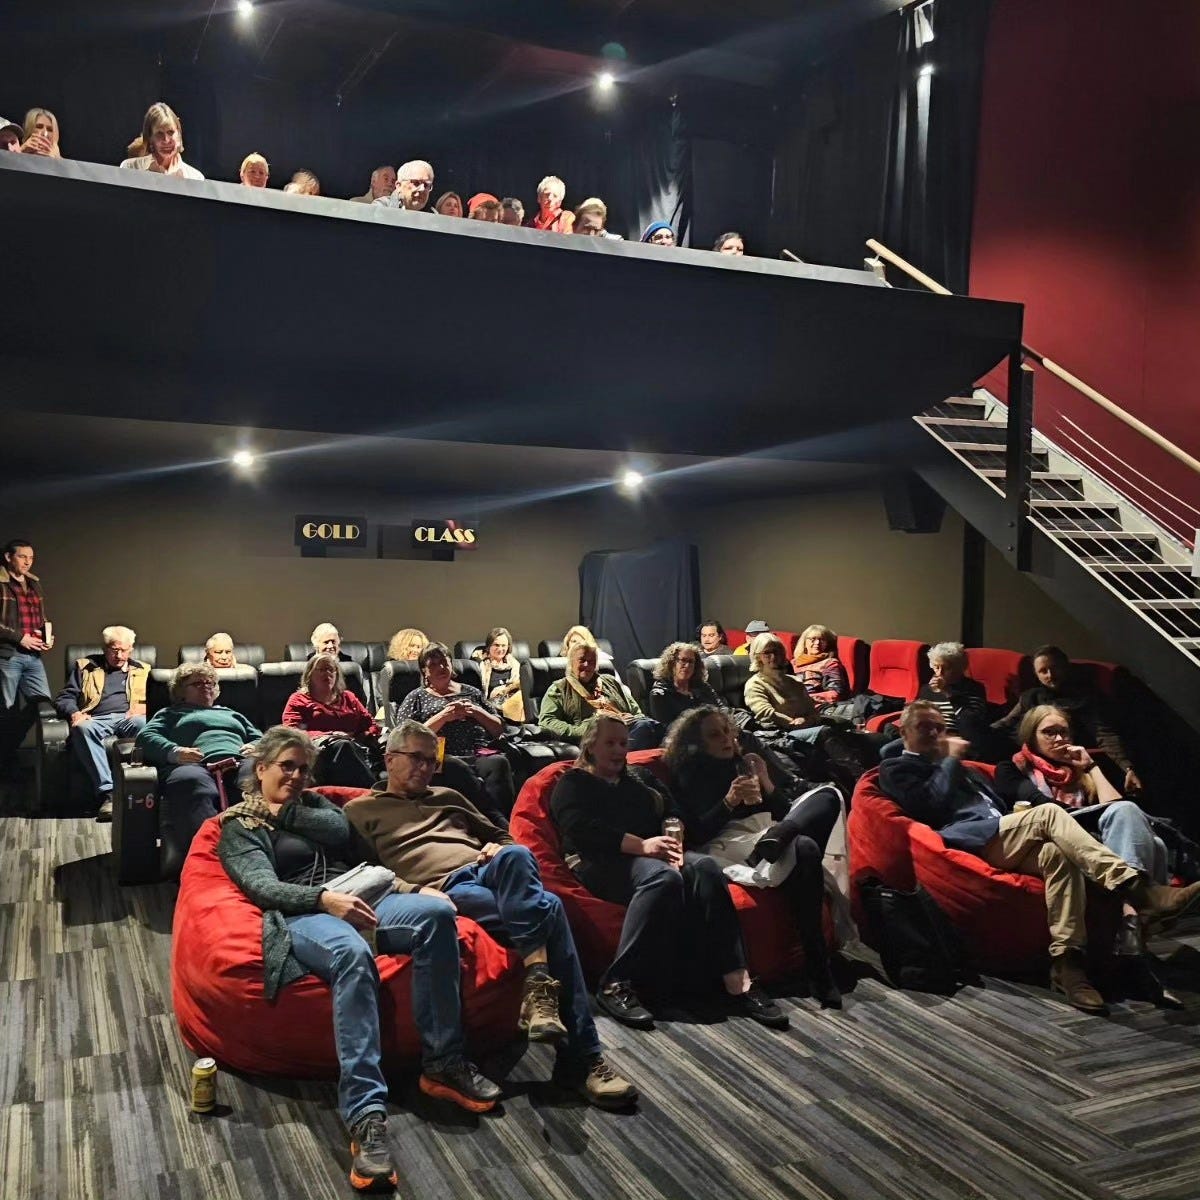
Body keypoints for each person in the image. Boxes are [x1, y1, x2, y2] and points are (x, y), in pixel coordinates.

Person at [217, 726, 500, 1191]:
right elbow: (262, 887)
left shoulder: (314, 806)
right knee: (350, 952)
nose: (296, 776)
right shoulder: (238, 825)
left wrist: (287, 811)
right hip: (304, 913)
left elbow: (337, 828)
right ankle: (366, 1114)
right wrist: (323, 899)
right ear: (260, 768)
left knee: (433, 915)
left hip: (360, 895)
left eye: (303, 769)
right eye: (286, 766)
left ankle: (443, 1063)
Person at [346, 720, 638, 1109]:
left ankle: (538, 989)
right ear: (389, 759)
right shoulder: (360, 811)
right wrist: (414, 890)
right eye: (415, 758)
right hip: (447, 885)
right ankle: (581, 1057)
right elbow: (366, 873)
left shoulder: (448, 794)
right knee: (549, 909)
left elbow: (504, 835)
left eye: (431, 761)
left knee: (518, 854)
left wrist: (495, 848)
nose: (425, 768)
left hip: (488, 870)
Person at [879, 700, 1200, 1012]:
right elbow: (928, 806)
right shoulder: (897, 767)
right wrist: (949, 761)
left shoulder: (969, 771)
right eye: (925, 728)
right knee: (1047, 813)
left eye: (939, 727)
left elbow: (999, 807)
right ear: (904, 731)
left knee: (1058, 855)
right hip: (965, 841)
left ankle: (1067, 964)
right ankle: (1140, 891)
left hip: (1001, 838)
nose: (936, 734)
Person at [551, 714, 787, 1029]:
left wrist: (670, 834)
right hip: (599, 860)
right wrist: (643, 845)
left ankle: (737, 979)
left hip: (653, 852)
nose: (618, 750)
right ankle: (615, 982)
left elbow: (673, 810)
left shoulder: (638, 777)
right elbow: (580, 828)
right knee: (664, 877)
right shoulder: (574, 781)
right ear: (590, 746)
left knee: (703, 866)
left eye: (623, 743)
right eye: (609, 743)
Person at [662, 706, 843, 1007]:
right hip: (729, 842)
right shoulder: (690, 772)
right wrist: (729, 801)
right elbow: (698, 833)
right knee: (807, 847)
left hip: (768, 833)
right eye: (714, 734)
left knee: (828, 795)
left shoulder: (745, 762)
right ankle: (818, 966)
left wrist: (767, 783)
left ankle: (775, 842)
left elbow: (785, 811)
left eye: (727, 731)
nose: (725, 739)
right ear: (698, 741)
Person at [994, 704, 1169, 954]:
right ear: (1031, 736)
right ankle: (1136, 911)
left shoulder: (1080, 773)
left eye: (1064, 732)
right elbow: (1045, 808)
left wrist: (1091, 767)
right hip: (1053, 844)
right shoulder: (1013, 768)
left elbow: (1119, 807)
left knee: (1149, 835)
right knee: (1151, 840)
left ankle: (1129, 923)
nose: (1059, 739)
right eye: (1049, 733)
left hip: (1093, 846)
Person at [135, 662, 263, 868]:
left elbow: (260, 737)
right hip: (195, 764)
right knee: (191, 782)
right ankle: (212, 855)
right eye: (197, 683)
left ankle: (258, 849)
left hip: (239, 761)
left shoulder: (231, 714)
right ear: (181, 692)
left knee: (257, 778)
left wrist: (256, 746)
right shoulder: (171, 713)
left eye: (210, 683)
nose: (206, 686)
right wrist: (175, 751)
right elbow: (146, 736)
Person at [993, 645, 1141, 792]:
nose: (1050, 675)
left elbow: (1103, 734)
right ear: (1036, 675)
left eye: (1054, 668)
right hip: (1023, 748)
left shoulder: (1085, 696)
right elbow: (1006, 723)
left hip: (1062, 754)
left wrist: (1127, 768)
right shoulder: (1030, 696)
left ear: (1065, 667)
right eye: (1043, 671)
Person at [395, 642, 514, 817]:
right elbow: (404, 737)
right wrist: (443, 716)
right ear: (424, 671)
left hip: (478, 752)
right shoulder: (416, 697)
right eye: (433, 664)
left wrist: (476, 711)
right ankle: (488, 821)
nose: (441, 667)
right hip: (441, 757)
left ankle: (505, 822)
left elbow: (498, 729)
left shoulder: (471, 692)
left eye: (445, 662)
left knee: (499, 762)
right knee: (454, 767)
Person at [53, 626, 149, 822]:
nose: (119, 655)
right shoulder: (86, 667)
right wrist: (75, 713)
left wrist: (146, 708)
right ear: (105, 649)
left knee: (146, 725)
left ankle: (140, 789)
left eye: (124, 650)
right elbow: (64, 698)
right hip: (96, 718)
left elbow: (161, 697)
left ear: (131, 649)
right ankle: (109, 794)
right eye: (114, 650)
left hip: (129, 718)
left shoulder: (144, 670)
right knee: (81, 728)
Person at [539, 641, 660, 750]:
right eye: (582, 660)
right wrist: (585, 730)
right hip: (595, 738)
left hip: (628, 731)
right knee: (648, 729)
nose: (587, 665)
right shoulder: (558, 689)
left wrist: (630, 720)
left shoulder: (610, 682)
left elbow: (635, 710)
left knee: (654, 727)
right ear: (571, 662)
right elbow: (547, 721)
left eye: (592, 661)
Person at [282, 653, 380, 787]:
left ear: (337, 674)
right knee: (343, 746)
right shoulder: (299, 700)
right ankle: (374, 792)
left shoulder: (348, 697)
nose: (327, 673)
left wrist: (364, 735)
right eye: (321, 669)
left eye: (331, 669)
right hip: (319, 751)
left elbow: (370, 723)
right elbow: (291, 732)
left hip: (356, 746)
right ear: (310, 674)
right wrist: (330, 736)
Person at [0, 539, 53, 775]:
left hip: (33, 656)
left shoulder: (33, 583)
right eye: (22, 556)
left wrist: (47, 635)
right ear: (8, 557)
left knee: (42, 704)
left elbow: (40, 618)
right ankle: (6, 761)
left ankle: (7, 752)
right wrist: (20, 637)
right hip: (8, 654)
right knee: (6, 710)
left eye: (31, 557)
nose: (28, 561)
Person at [916, 642, 992, 757]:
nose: (939, 673)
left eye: (946, 668)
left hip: (956, 740)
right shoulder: (927, 689)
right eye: (936, 667)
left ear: (960, 668)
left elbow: (971, 725)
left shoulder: (974, 689)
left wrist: (947, 692)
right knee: (887, 749)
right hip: (928, 738)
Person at [120, 102, 204, 180]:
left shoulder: (195, 177)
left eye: (170, 132)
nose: (166, 140)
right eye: (159, 134)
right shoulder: (130, 168)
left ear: (179, 134)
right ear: (150, 138)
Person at [646, 642, 722, 727]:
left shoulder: (702, 687)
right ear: (672, 663)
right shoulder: (660, 694)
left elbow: (721, 709)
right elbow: (667, 728)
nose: (687, 665)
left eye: (691, 662)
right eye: (683, 660)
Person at [471, 627, 527, 724]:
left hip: (514, 702)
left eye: (503, 645)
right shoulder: (480, 664)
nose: (500, 649)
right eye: (496, 645)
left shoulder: (514, 664)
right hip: (492, 707)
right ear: (489, 646)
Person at [792, 624, 849, 706]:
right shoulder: (793, 663)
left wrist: (805, 699)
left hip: (814, 707)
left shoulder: (830, 663)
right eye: (813, 639)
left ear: (827, 644)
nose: (817, 643)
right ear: (804, 642)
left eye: (822, 640)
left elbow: (835, 693)